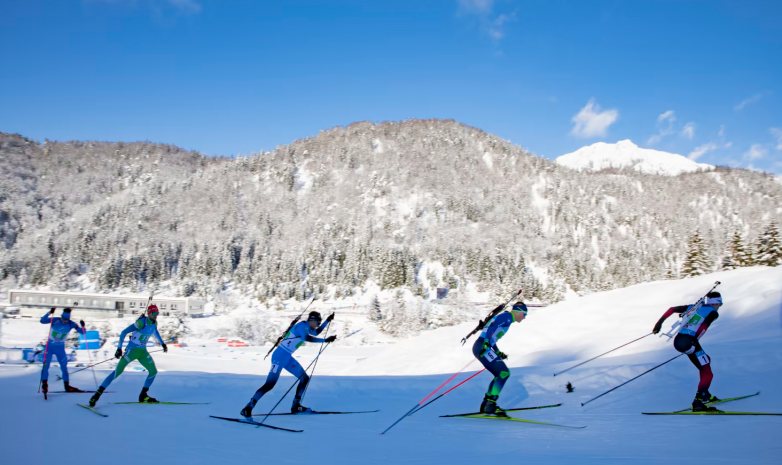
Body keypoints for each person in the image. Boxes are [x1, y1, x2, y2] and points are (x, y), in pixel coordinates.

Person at [240, 311, 336, 419]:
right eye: (318, 323)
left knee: (304, 378)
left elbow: (316, 332)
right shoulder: (301, 326)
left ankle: (296, 406)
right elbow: (306, 338)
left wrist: (328, 320)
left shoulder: (308, 327)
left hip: (287, 358)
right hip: (279, 357)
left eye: (319, 323)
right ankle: (248, 408)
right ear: (312, 320)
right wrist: (325, 340)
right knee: (270, 384)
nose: (318, 325)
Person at [653, 291, 723, 412]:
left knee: (706, 362)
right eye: (719, 304)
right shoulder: (713, 312)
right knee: (707, 372)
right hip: (689, 341)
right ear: (715, 303)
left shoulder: (695, 307)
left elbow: (672, 309)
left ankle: (705, 394)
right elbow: (703, 327)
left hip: (680, 340)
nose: (719, 306)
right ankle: (698, 401)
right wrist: (694, 342)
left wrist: (658, 324)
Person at [89, 304, 167, 407]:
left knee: (153, 371)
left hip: (142, 352)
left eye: (157, 313)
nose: (156, 315)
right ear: (149, 313)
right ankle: (97, 394)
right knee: (117, 372)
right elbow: (124, 332)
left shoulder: (154, 323)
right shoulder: (140, 323)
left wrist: (162, 343)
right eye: (154, 313)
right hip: (131, 351)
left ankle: (143, 395)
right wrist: (119, 348)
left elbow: (155, 332)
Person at [472, 302, 528, 416]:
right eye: (524, 313)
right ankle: (490, 404)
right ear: (517, 311)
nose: (524, 317)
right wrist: (486, 341)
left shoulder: (507, 319)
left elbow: (492, 336)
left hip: (482, 345)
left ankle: (486, 404)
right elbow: (493, 326)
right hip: (482, 345)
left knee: (500, 374)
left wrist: (497, 352)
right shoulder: (507, 317)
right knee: (504, 373)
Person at [40, 308, 87, 394]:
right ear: (61, 317)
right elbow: (42, 321)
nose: (65, 321)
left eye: (67, 319)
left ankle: (67, 386)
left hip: (60, 348)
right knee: (46, 366)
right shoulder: (55, 320)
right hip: (49, 347)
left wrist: (83, 326)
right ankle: (44, 385)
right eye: (64, 319)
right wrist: (49, 312)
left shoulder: (71, 323)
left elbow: (82, 332)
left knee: (64, 367)